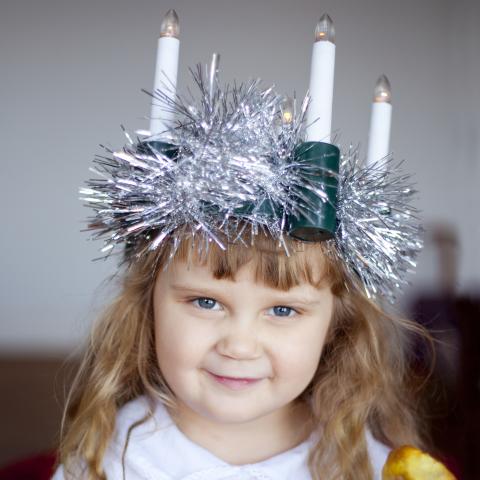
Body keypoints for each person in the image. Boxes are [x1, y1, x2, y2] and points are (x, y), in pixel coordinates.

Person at [51, 227, 431, 480]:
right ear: (149, 308)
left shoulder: (361, 463)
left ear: (335, 327)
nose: (238, 345)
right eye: (205, 301)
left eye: (283, 310)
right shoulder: (107, 458)